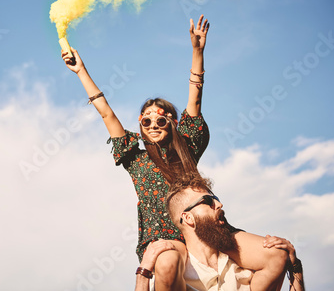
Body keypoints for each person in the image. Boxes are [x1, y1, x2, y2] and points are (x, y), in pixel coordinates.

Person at [61, 15, 287, 291]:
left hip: (209, 231)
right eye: (146, 121)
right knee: (166, 265)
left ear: (174, 123)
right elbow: (106, 111)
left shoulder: (188, 148)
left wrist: (197, 51)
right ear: (140, 126)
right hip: (168, 239)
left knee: (277, 255)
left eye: (161, 120)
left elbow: (196, 96)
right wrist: (81, 71)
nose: (153, 125)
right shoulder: (135, 159)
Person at [135, 175, 304, 291]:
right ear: (188, 218)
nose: (219, 204)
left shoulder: (244, 270)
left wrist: (295, 267)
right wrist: (143, 272)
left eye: (216, 198)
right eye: (208, 201)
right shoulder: (178, 271)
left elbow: (276, 260)